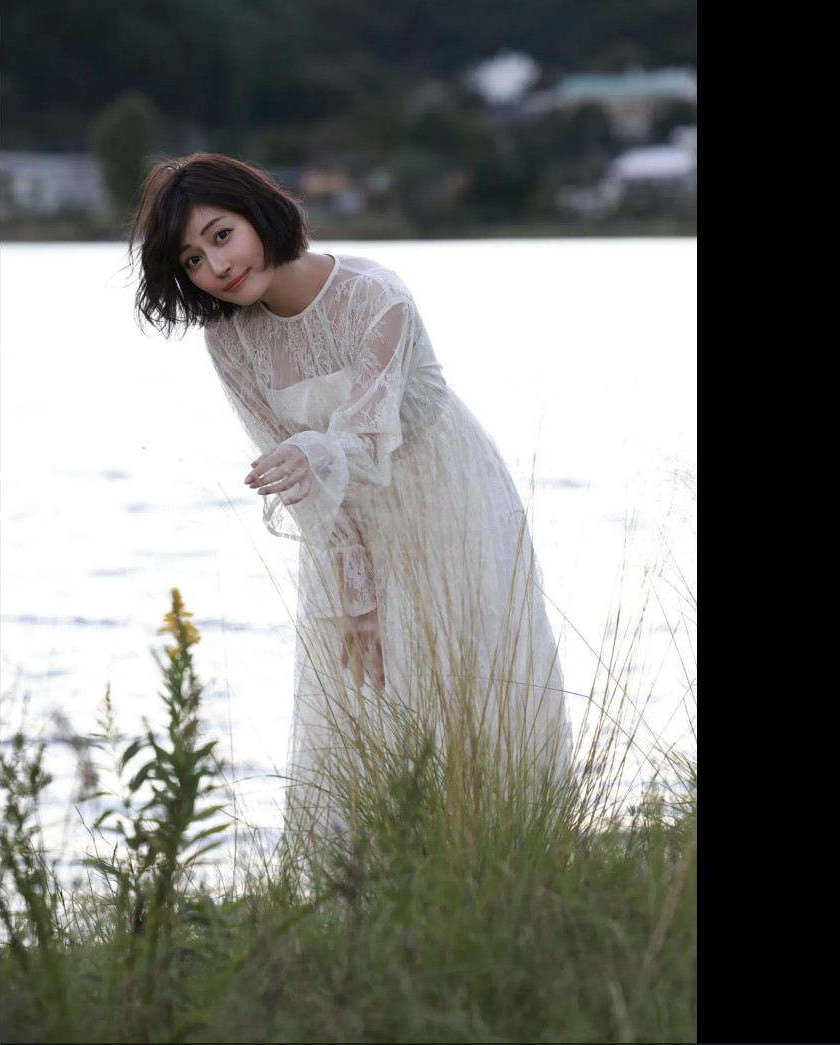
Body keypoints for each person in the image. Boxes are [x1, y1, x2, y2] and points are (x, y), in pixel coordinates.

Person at [128, 152, 573, 850]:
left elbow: (364, 440)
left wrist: (309, 454)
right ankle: (376, 869)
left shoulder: (375, 295)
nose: (217, 266)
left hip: (442, 493)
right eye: (192, 260)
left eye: (221, 235)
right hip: (341, 525)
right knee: (362, 685)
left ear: (260, 214)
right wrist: (357, 597)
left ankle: (509, 850)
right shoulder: (229, 340)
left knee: (469, 671)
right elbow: (300, 482)